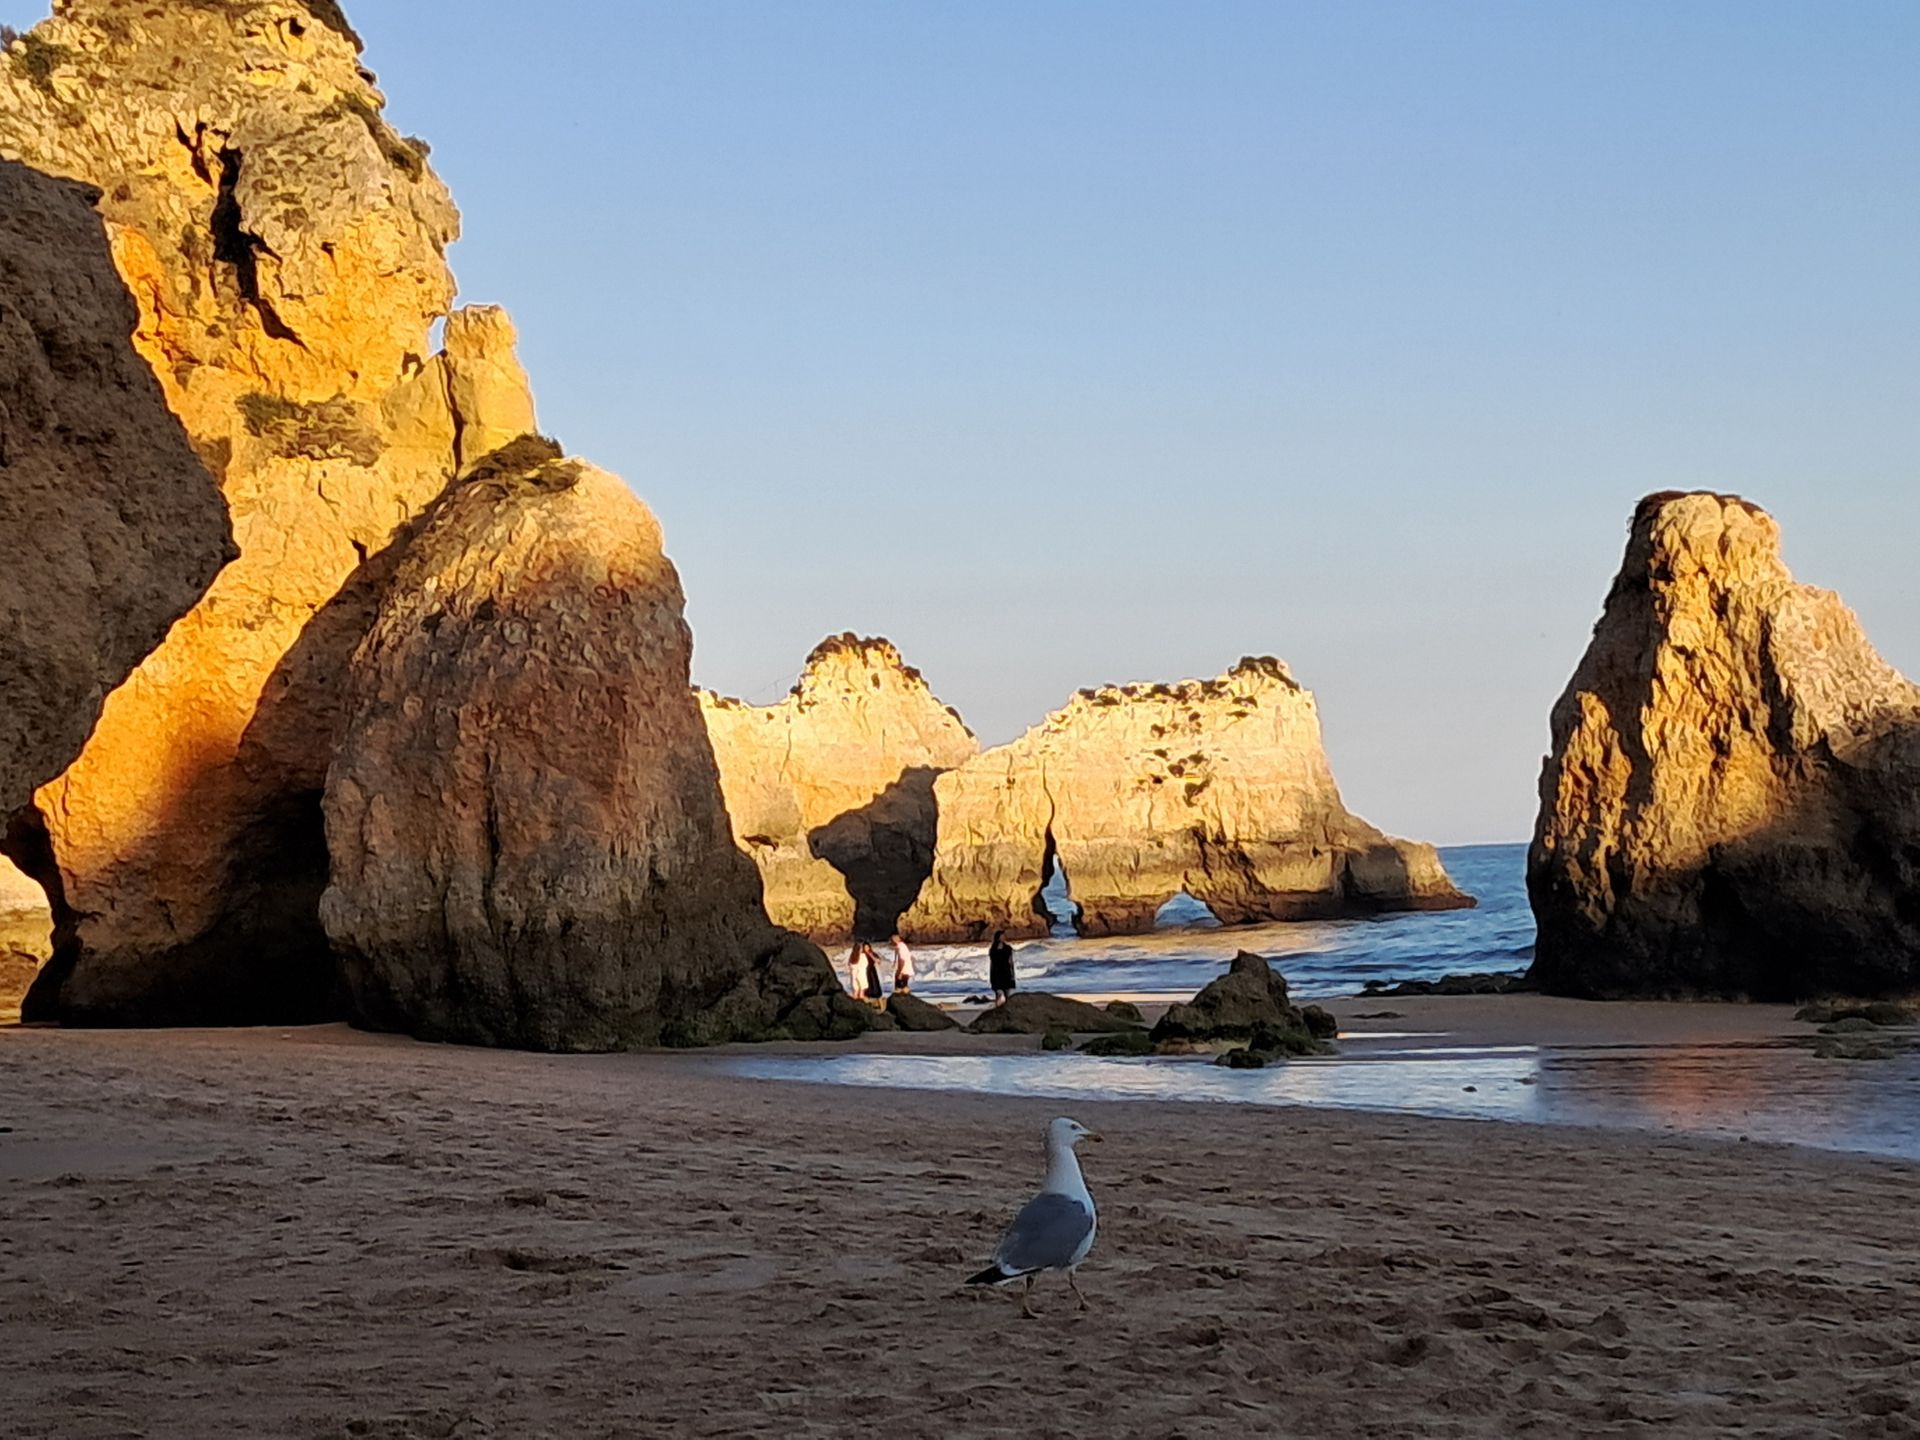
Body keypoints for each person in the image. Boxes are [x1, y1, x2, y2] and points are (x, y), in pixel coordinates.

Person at [988, 929, 1016, 1007]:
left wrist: (1012, 975)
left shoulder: (1008, 948)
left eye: (1004, 936)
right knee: (998, 992)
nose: (1003, 937)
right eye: (1002, 936)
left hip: (1006, 971)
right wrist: (991, 975)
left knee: (1007, 992)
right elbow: (992, 963)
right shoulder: (993, 949)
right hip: (996, 972)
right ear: (998, 937)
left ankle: (1007, 1008)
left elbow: (1011, 962)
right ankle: (997, 1007)